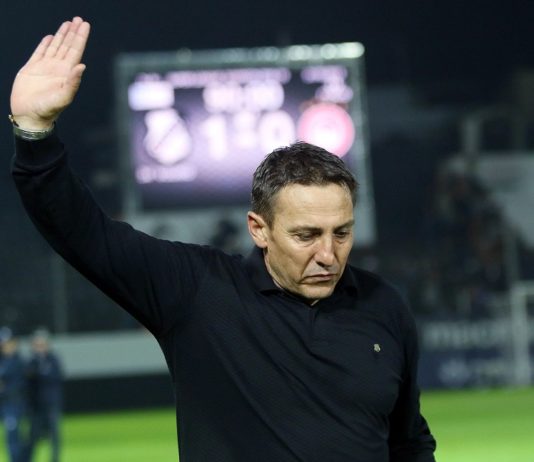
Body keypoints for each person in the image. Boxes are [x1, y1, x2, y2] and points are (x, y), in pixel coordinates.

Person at [9, 17, 436, 462]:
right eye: (306, 235)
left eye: (341, 233)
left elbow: (408, 441)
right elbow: (84, 234)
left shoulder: (383, 305)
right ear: (259, 229)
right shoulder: (199, 291)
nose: (328, 254)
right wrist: (35, 133)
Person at [25, 329, 63, 462]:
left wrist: (39, 374)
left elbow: (55, 377)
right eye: (37, 345)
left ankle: (54, 459)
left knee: (54, 434)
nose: (39, 348)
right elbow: (28, 380)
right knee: (33, 435)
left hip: (51, 402)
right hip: (36, 405)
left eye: (42, 344)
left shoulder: (53, 360)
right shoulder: (31, 361)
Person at [0, 327, 26, 462]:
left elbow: (18, 386)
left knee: (14, 438)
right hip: (5, 404)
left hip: (14, 404)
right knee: (12, 439)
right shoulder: (3, 361)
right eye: (3, 343)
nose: (5, 346)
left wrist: (4, 388)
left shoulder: (19, 362)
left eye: (8, 343)